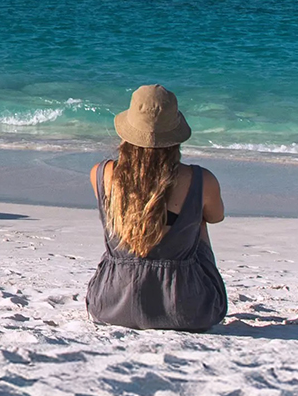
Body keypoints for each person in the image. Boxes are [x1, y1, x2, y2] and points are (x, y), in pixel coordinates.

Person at [85, 84, 227, 331]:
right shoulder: (201, 180)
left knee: (129, 214)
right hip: (187, 310)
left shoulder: (101, 173)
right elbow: (216, 217)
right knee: (198, 217)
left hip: (111, 304)